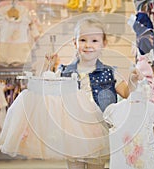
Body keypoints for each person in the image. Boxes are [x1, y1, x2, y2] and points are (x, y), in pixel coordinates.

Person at [47, 16, 142, 169]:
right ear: (74, 42)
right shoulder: (64, 71)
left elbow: (125, 92)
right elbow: (49, 92)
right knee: (75, 165)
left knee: (96, 166)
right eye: (83, 40)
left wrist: (132, 80)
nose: (88, 45)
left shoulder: (109, 72)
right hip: (73, 130)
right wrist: (49, 69)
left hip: (99, 130)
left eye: (94, 41)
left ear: (104, 43)